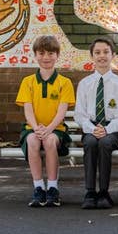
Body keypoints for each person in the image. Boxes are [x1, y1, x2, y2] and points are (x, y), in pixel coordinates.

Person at [16, 35, 76, 207]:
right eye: (41, 53)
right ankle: (38, 188)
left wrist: (48, 129)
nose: (46, 57)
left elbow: (61, 112)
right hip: (33, 128)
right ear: (35, 55)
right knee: (33, 141)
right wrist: (36, 129)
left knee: (50, 142)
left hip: (56, 129)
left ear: (57, 55)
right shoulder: (28, 82)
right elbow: (28, 110)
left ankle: (52, 188)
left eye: (51, 53)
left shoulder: (64, 82)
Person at [74, 37, 118, 209]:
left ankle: (104, 192)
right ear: (92, 57)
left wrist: (106, 130)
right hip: (91, 127)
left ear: (113, 55)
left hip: (112, 129)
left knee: (105, 143)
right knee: (90, 142)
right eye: (97, 53)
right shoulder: (85, 83)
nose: (102, 56)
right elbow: (79, 114)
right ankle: (90, 192)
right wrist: (92, 128)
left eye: (106, 52)